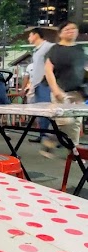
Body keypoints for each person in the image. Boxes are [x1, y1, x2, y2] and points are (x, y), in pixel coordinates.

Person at [41, 21, 87, 157]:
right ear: (60, 33)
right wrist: (55, 90)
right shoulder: (55, 49)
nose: (71, 31)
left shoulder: (80, 50)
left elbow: (84, 69)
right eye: (67, 29)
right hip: (61, 89)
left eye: (74, 28)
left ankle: (74, 151)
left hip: (78, 91)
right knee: (63, 120)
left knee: (76, 123)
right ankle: (49, 143)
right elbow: (48, 70)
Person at [25, 28, 53, 143]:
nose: (28, 38)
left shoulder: (48, 47)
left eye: (30, 35)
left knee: (47, 111)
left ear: (36, 35)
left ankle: (52, 137)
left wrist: (46, 79)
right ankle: (43, 135)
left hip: (45, 84)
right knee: (41, 112)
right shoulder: (36, 50)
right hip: (37, 84)